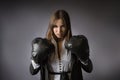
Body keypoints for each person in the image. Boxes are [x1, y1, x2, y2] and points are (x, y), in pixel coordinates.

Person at [29, 10, 93, 80]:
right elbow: (32, 71)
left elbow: (89, 69)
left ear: (67, 26)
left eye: (62, 26)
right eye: (55, 26)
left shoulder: (75, 43)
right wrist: (37, 59)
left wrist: (83, 57)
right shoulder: (44, 45)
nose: (59, 31)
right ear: (51, 27)